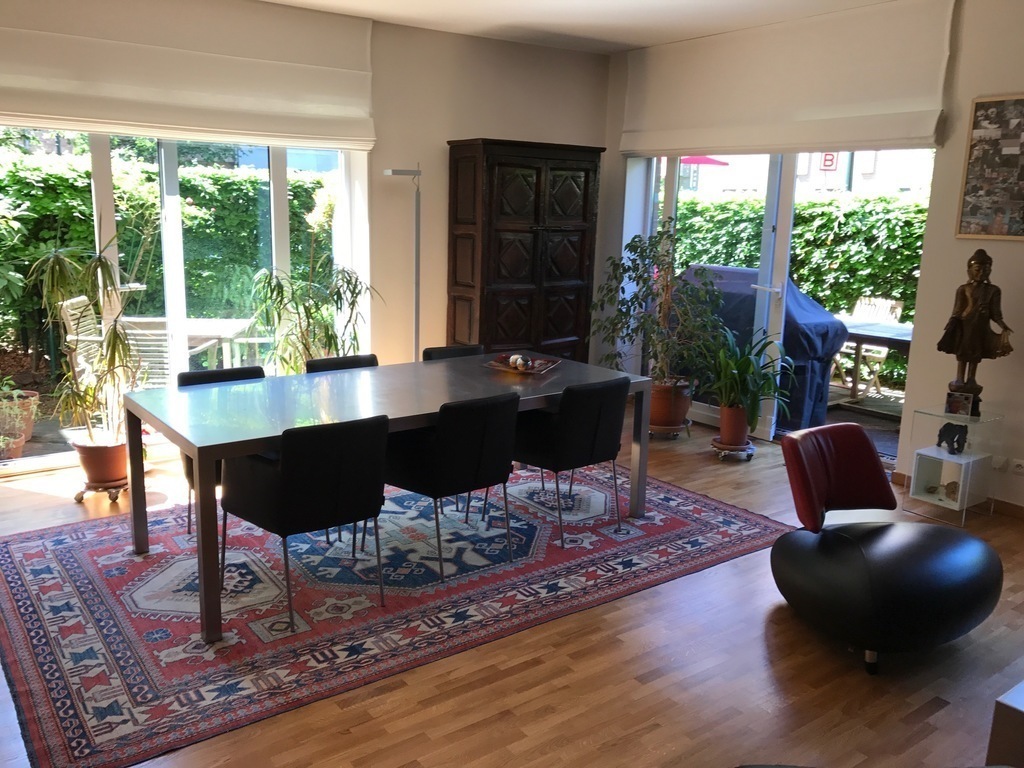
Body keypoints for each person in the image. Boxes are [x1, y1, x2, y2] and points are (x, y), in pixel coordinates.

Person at [937, 248, 1013, 391]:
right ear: (969, 270)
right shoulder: (963, 289)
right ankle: (959, 378)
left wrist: (1003, 325)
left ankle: (971, 378)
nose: (982, 273)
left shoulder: (994, 290)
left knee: (976, 352)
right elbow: (957, 310)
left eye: (986, 270)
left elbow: (995, 313)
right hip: (965, 325)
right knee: (962, 352)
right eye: (977, 269)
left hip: (981, 326)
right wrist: (951, 324)